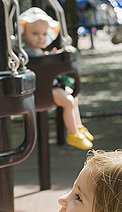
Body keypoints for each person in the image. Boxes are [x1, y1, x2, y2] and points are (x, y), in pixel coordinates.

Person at [19, 7, 94, 150]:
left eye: (43, 34)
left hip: (49, 88)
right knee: (68, 101)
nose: (40, 37)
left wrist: (53, 55)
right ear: (23, 34)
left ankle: (78, 126)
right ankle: (73, 134)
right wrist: (53, 58)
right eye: (35, 33)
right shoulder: (26, 54)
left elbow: (45, 59)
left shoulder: (38, 51)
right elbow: (40, 62)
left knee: (73, 97)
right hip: (41, 92)